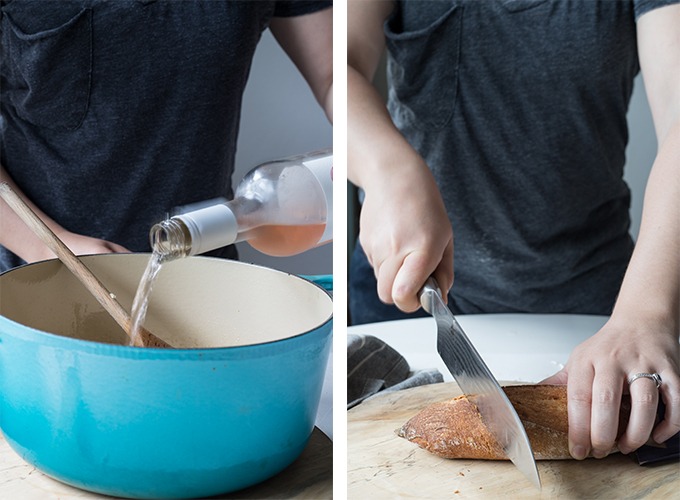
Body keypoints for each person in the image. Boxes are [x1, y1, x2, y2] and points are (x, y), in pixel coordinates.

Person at [348, 0, 679, 462]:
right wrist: (388, 172)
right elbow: (336, 64)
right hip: (405, 288)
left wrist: (645, 314)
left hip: (597, 313)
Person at [0, 0, 332, 272]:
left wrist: (375, 166)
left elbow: (334, 75)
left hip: (207, 278)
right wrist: (51, 248)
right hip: (37, 278)